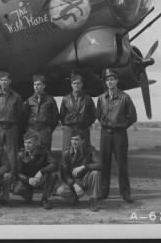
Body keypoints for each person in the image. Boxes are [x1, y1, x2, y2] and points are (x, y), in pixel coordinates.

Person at [96, 68, 137, 203]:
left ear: (117, 80)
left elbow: (132, 117)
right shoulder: (101, 98)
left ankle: (125, 193)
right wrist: (106, 124)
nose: (110, 82)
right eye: (107, 80)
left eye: (112, 79)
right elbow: (98, 115)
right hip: (105, 135)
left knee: (122, 165)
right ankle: (103, 192)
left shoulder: (125, 97)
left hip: (120, 135)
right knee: (104, 164)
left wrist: (121, 125)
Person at [57, 129, 102, 212]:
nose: (74, 142)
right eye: (72, 139)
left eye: (77, 140)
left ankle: (93, 200)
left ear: (83, 141)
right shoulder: (66, 153)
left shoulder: (90, 150)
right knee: (60, 191)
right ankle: (74, 197)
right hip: (73, 182)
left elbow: (99, 165)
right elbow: (64, 174)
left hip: (85, 179)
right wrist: (74, 185)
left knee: (95, 173)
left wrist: (84, 166)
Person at [13, 131, 58, 210]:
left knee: (53, 175)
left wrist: (41, 171)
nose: (27, 145)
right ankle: (28, 194)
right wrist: (28, 179)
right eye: (25, 142)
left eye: (29, 143)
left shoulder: (43, 151)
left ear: (36, 142)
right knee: (16, 190)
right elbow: (17, 172)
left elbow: (54, 164)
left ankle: (45, 199)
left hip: (41, 179)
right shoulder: (20, 154)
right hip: (28, 180)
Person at [0, 71, 23, 174]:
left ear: (10, 81)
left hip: (11, 126)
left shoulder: (16, 96)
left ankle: (12, 174)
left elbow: (19, 113)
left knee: (12, 152)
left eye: (6, 80)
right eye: (2, 80)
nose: (4, 82)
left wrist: (11, 120)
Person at [59, 72, 96, 151]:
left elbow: (93, 114)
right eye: (74, 83)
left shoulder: (88, 98)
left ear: (82, 84)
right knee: (67, 151)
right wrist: (67, 124)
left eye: (78, 83)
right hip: (69, 129)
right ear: (71, 85)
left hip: (83, 128)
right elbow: (62, 114)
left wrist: (86, 123)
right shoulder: (66, 99)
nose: (76, 85)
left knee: (84, 152)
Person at [23, 74, 59, 151]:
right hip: (32, 129)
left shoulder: (50, 100)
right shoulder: (29, 100)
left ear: (44, 85)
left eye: (38, 84)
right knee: (31, 152)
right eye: (34, 84)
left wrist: (49, 129)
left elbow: (56, 117)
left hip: (44, 130)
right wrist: (28, 129)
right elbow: (24, 117)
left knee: (45, 153)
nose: (36, 86)